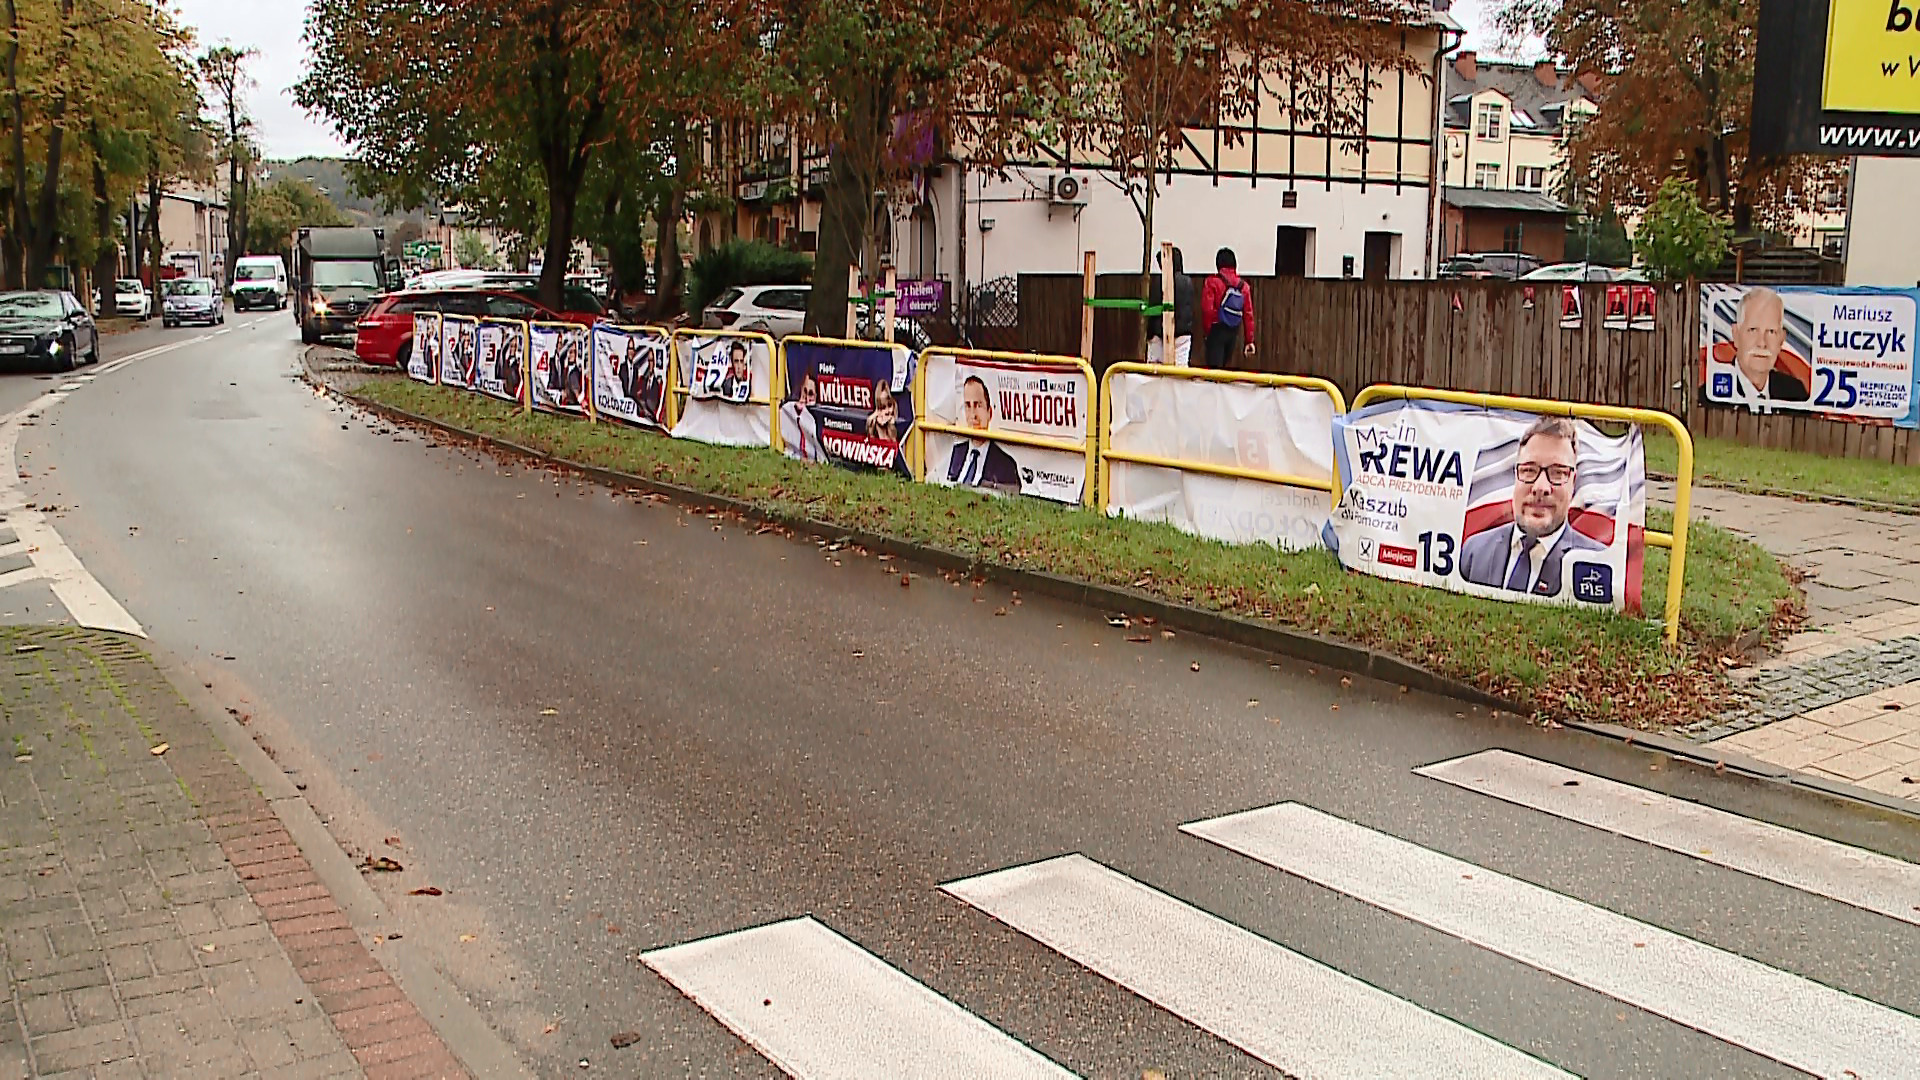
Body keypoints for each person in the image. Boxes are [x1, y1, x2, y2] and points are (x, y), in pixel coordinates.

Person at [1458, 416, 1606, 599]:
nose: (1540, 488)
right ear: (1515, 475)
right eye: (1529, 470)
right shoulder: (1474, 552)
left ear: (1573, 483)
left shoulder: (1597, 565)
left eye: (1557, 472)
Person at [1726, 287, 1808, 405]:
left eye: (1771, 332)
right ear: (1736, 335)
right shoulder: (1710, 395)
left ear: (1781, 339)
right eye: (1753, 330)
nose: (1762, 343)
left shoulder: (1796, 394)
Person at [944, 375, 1020, 493]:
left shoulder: (1006, 464)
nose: (973, 414)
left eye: (978, 405)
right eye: (968, 406)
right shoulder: (955, 453)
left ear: (989, 412)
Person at [1198, 247, 1256, 369]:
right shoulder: (1243, 286)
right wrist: (1249, 340)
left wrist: (1208, 331)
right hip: (1233, 331)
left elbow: (1207, 310)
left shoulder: (1212, 282)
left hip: (1216, 330)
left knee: (1213, 371)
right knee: (1224, 369)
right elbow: (1248, 314)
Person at [1145, 246, 1196, 366]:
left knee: (1155, 369)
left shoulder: (1160, 282)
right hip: (1183, 332)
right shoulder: (1187, 282)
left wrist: (1150, 333)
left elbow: (1153, 309)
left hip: (1160, 332)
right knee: (1180, 369)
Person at [779, 370, 826, 462]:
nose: (806, 398)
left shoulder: (816, 421)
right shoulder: (787, 412)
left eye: (811, 394)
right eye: (805, 392)